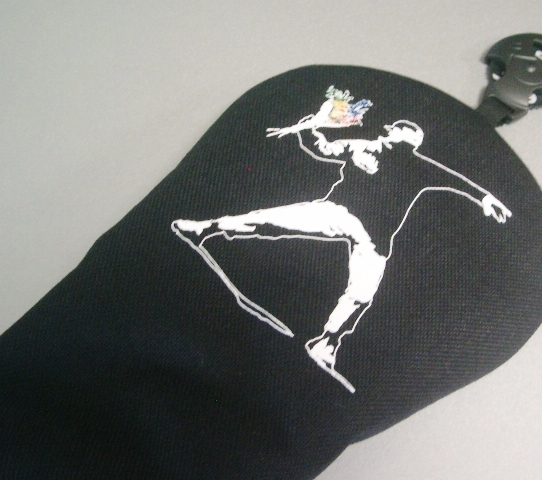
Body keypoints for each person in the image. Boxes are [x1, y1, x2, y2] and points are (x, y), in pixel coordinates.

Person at [172, 86, 511, 392]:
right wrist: (309, 129)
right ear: (389, 133)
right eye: (397, 136)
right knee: (270, 220)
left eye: (407, 143)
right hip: (339, 212)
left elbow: (454, 180)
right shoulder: (360, 146)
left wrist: (485, 198)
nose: (398, 143)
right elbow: (323, 148)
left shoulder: (417, 166)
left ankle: (328, 343)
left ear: (412, 147)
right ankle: (205, 229)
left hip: (376, 236)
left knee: (363, 294)